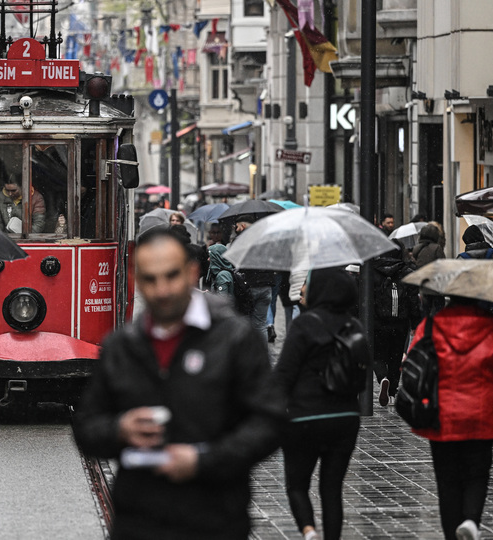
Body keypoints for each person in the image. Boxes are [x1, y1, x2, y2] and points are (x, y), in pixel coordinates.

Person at [73, 228, 281, 539]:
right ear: (136, 281)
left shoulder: (234, 338)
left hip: (214, 519)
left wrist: (204, 461)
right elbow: (86, 425)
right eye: (150, 279)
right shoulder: (123, 345)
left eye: (171, 276)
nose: (162, 290)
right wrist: (120, 430)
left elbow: (268, 422)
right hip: (139, 519)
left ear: (191, 272)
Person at [271, 268, 362, 540]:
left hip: (304, 417)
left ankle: (309, 532)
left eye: (306, 285)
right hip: (345, 417)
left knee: (297, 485)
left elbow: (284, 375)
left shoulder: (304, 325)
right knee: (332, 488)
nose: (301, 291)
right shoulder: (353, 325)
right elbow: (361, 375)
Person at [408, 294, 493, 540]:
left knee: (446, 480)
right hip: (482, 416)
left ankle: (452, 535)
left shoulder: (430, 326)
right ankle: (471, 520)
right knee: (477, 473)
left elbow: (413, 363)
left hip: (443, 415)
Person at [372, 243, 420, 406]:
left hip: (379, 321)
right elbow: (414, 301)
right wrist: (415, 322)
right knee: (395, 356)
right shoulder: (407, 273)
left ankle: (382, 377)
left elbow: (366, 300)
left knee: (377, 354)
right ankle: (392, 392)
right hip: (400, 322)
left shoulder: (373, 272)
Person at [233, 216, 278, 338]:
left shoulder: (241, 240)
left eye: (237, 226)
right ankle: (262, 356)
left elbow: (233, 261)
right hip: (266, 286)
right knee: (260, 325)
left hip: (249, 286)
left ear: (242, 226)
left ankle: (247, 355)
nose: (236, 229)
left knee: (245, 325)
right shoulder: (266, 239)